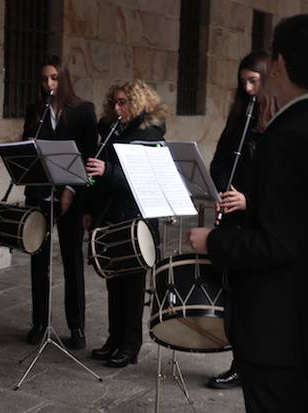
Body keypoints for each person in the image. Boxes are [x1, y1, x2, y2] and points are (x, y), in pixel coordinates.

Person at [188, 14, 308, 412]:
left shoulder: (287, 134)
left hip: (282, 332)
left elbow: (279, 242)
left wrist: (213, 241)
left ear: (279, 64)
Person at [85, 80, 167, 368]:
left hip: (135, 217)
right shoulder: (110, 130)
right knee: (114, 283)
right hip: (110, 215)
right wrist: (91, 208)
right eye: (115, 102)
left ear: (139, 104)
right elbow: (100, 176)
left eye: (124, 102)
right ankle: (114, 338)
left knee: (132, 287)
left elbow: (142, 181)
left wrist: (107, 171)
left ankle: (130, 346)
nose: (118, 108)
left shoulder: (150, 134)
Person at [206, 51, 275, 389]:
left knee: (257, 301)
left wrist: (249, 200)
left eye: (254, 81)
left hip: (260, 223)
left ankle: (255, 364)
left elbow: (286, 186)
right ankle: (239, 362)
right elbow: (219, 161)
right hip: (234, 219)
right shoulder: (239, 118)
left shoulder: (279, 123)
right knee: (235, 298)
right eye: (243, 82)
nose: (247, 89)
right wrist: (222, 188)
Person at [22, 56, 97, 349]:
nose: (48, 84)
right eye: (44, 79)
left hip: (72, 195)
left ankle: (76, 326)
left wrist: (70, 190)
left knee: (71, 258)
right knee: (37, 257)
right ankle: (39, 321)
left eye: (53, 78)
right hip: (40, 193)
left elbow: (88, 153)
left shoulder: (83, 111)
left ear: (63, 79)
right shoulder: (35, 110)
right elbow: (29, 148)